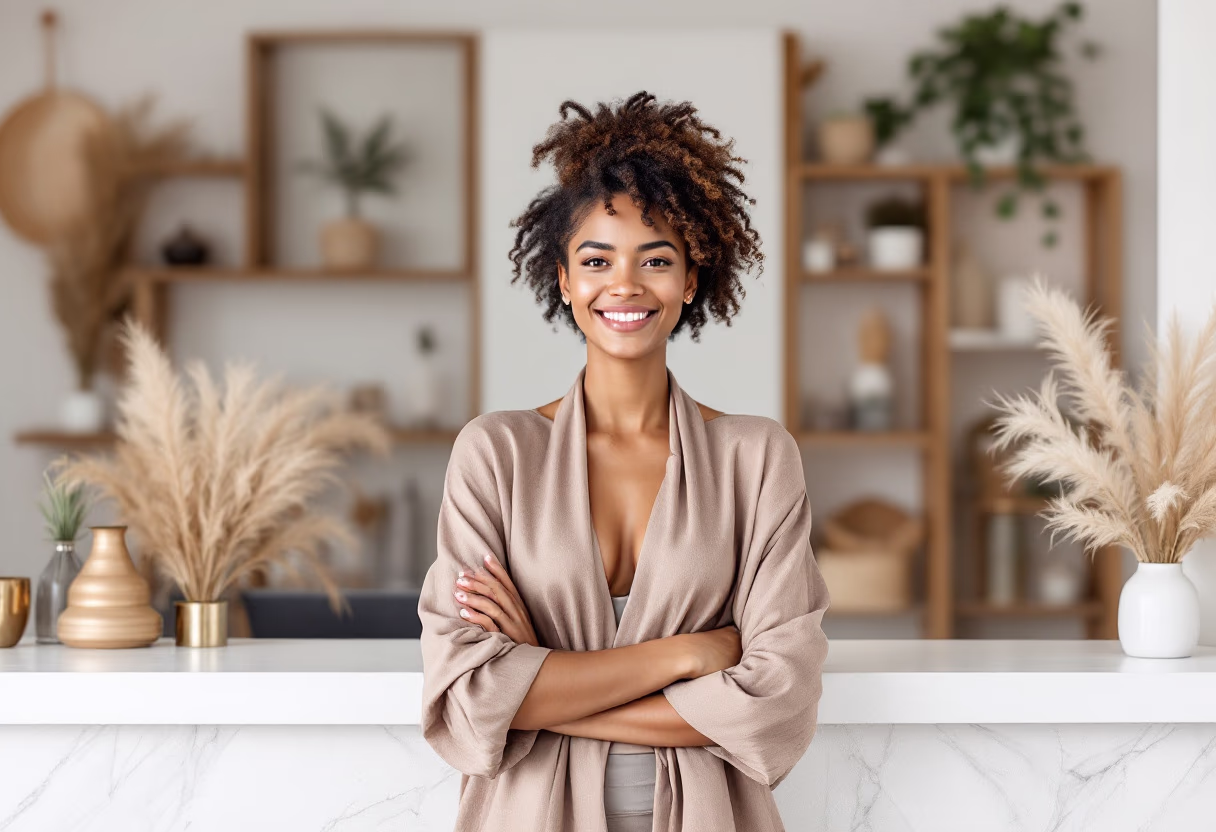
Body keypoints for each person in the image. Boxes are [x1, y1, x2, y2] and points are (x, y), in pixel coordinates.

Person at [418, 90, 830, 832]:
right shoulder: (496, 453)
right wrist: (691, 653)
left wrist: (540, 674)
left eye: (657, 259)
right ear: (565, 280)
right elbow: (468, 699)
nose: (626, 285)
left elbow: (778, 701)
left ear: (692, 278)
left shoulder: (757, 458)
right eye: (597, 259)